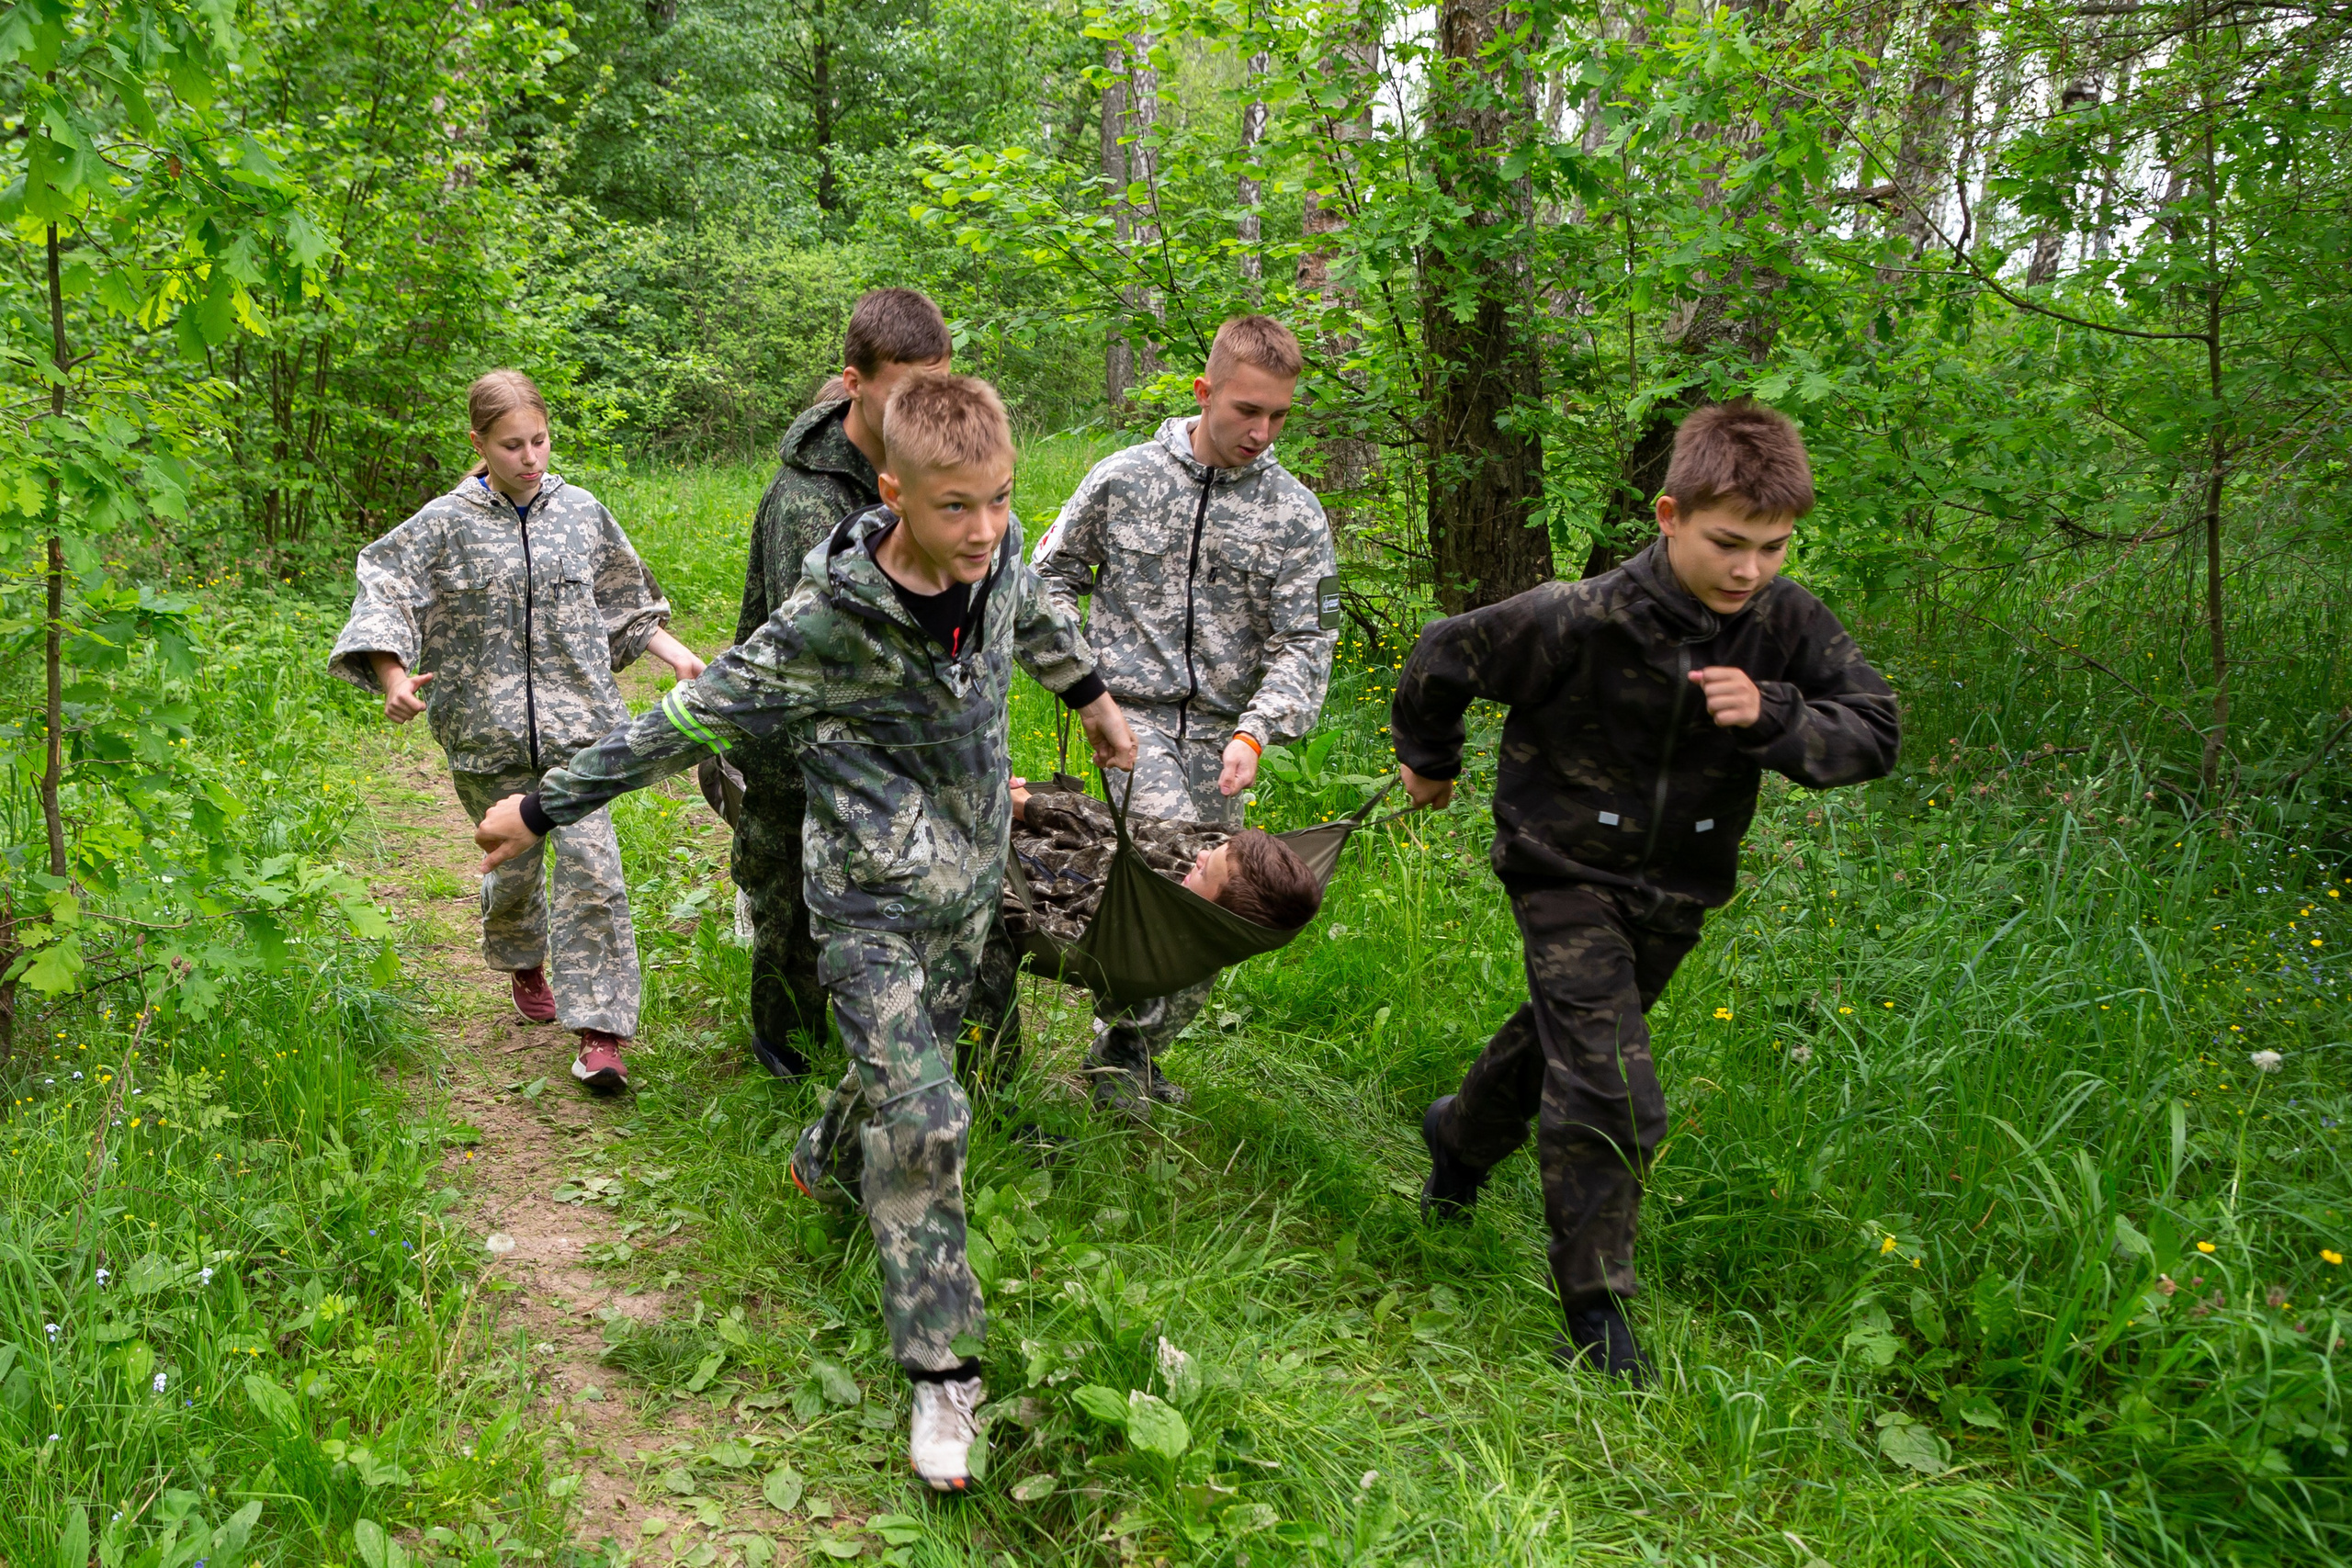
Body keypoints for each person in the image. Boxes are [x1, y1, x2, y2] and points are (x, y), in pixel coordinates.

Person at [470, 372, 1135, 1492]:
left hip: (970, 894)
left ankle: (818, 1160)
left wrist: (1094, 702)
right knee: (926, 1117)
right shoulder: (826, 623)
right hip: (867, 909)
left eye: (1000, 501)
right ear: (893, 492)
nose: (982, 531)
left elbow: (1041, 616)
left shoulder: (1002, 554)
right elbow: (690, 716)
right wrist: (540, 807)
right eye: (955, 507)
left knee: (896, 1079)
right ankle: (944, 1375)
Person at [1393, 400, 1900, 1386]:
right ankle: (1597, 1320)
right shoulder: (1578, 617)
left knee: (1564, 1043)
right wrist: (1430, 760)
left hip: (1677, 888)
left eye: (1772, 546)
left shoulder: (1782, 624)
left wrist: (1775, 715)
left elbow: (1874, 730)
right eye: (1727, 543)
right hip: (1562, 866)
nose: (1748, 569)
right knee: (1612, 1085)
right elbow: (1441, 654)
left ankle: (1458, 1136)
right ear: (1668, 517)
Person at [329, 369, 708, 1095]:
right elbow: (386, 587)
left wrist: (676, 653)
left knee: (595, 872)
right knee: (512, 873)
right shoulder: (446, 523)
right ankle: (523, 957)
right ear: (478, 444)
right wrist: (393, 677)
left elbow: (624, 603)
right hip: (486, 738)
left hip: (583, 738)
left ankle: (602, 1034)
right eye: (510, 446)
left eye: (538, 440)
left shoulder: (583, 513)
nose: (529, 458)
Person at [1029, 313, 1338, 1118]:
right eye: (1246, 410)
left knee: (1232, 913)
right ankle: (1122, 1054)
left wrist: (1257, 728)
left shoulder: (1295, 515)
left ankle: (1134, 1045)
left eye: (1279, 416)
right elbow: (1046, 578)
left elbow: (1307, 639)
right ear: (1205, 393)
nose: (1263, 432)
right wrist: (1082, 683)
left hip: (1226, 737)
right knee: (1177, 894)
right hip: (1129, 722)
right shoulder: (1124, 477)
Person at [731, 291, 952, 1081]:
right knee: (789, 896)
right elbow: (821, 657)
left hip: (890, 741)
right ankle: (783, 1050)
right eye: (904, 391)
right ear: (854, 383)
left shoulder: (924, 463)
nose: (922, 409)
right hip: (793, 742)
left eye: (937, 387)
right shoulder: (808, 497)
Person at [1001, 779, 1323, 946]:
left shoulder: (1133, 934)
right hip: (1019, 818)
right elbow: (1127, 827)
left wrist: (985, 866)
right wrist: (1027, 805)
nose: (1200, 856)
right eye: (1214, 850)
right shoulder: (1191, 865)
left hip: (992, 864)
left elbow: (1030, 924)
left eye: (1204, 869)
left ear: (1213, 910)